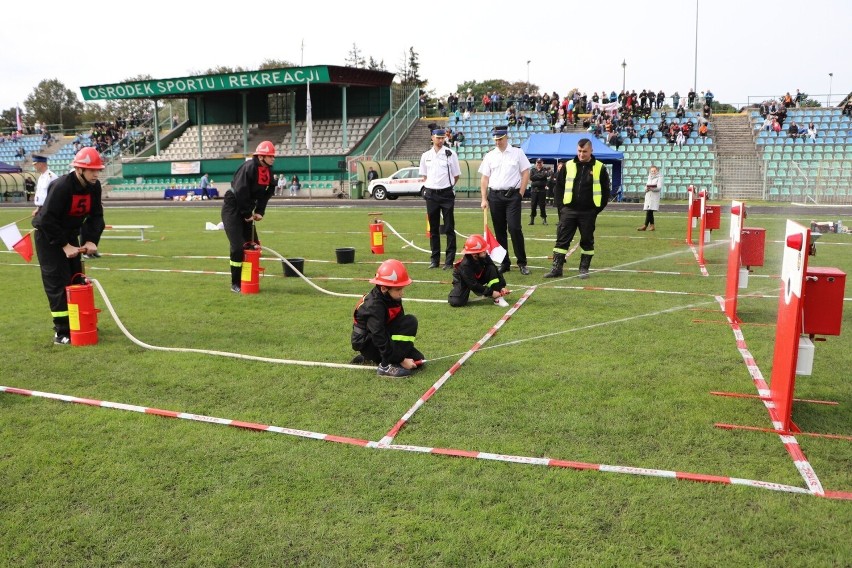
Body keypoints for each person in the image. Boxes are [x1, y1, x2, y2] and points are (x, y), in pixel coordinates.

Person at [32, 147, 106, 345]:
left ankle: (80, 323)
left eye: (98, 170)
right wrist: (64, 245)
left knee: (77, 280)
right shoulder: (62, 186)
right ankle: (62, 331)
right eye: (92, 170)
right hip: (49, 238)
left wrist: (91, 240)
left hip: (70, 236)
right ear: (80, 169)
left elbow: (96, 216)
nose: (96, 174)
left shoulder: (94, 186)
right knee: (58, 282)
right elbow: (46, 220)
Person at [544, 138, 612, 279]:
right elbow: (559, 188)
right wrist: (561, 208)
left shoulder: (600, 167)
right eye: (579, 151)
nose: (581, 154)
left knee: (587, 241)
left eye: (585, 151)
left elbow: (606, 191)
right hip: (568, 210)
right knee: (561, 240)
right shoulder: (568, 166)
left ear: (591, 151)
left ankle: (583, 269)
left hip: (588, 212)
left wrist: (596, 210)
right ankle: (557, 269)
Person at [350, 259, 425, 378]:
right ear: (384, 288)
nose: (402, 293)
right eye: (398, 289)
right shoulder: (374, 305)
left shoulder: (391, 297)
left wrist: (401, 355)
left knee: (419, 360)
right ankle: (384, 366)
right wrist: (401, 359)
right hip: (368, 342)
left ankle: (376, 358)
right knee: (411, 322)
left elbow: (398, 325)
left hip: (381, 337)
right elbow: (379, 335)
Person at [221, 141, 276, 293]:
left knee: (254, 244)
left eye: (273, 156)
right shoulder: (249, 168)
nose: (273, 158)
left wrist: (260, 211)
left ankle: (249, 279)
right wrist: (246, 214)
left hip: (247, 206)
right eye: (269, 156)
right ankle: (236, 283)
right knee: (238, 246)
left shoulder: (268, 170)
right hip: (232, 207)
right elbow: (240, 192)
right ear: (261, 157)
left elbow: (268, 192)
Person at [478, 126, 531, 275]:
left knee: (514, 228)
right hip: (495, 196)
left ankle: (522, 262)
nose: (498, 142)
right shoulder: (489, 156)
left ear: (506, 137)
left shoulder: (517, 152)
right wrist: (484, 198)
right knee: (500, 231)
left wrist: (520, 194)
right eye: (495, 140)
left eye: (500, 139)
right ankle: (504, 262)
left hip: (512, 196)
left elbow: (525, 172)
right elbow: (484, 178)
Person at [419, 126, 461, 269]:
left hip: (446, 194)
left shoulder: (450, 154)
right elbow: (424, 176)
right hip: (431, 194)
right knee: (434, 228)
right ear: (432, 138)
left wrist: (446, 187)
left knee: (449, 228)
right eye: (438, 138)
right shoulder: (426, 156)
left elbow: (456, 176)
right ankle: (434, 259)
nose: (441, 140)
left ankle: (449, 261)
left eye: (443, 137)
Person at [448, 235, 510, 308]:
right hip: (464, 281)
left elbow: (495, 269)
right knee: (457, 301)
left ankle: (498, 299)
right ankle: (457, 294)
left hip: (477, 277)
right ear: (474, 254)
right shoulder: (465, 265)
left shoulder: (483, 255)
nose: (485, 252)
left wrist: (501, 287)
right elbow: (473, 285)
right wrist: (491, 292)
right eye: (483, 251)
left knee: (491, 268)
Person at [638, 165, 662, 231]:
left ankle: (645, 225)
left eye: (654, 171)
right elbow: (646, 186)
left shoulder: (659, 177)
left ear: (657, 171)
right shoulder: (649, 177)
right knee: (649, 211)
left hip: (654, 196)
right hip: (648, 195)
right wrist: (646, 189)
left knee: (649, 211)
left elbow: (659, 188)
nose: (653, 172)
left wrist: (652, 189)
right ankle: (652, 226)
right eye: (652, 171)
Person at [528, 159, 549, 225]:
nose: (539, 164)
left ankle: (544, 220)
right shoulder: (533, 170)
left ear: (542, 163)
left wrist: (536, 176)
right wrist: (540, 175)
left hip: (542, 190)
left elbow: (545, 175)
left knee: (542, 206)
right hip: (534, 190)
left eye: (540, 163)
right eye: (538, 163)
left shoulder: (545, 170)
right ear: (536, 163)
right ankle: (532, 220)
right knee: (533, 205)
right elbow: (531, 178)